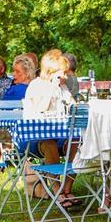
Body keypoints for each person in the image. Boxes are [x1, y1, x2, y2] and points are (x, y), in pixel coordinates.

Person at [23, 49, 77, 207]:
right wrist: (52, 89)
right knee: (49, 142)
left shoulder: (62, 87)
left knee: (76, 142)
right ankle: (57, 191)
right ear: (51, 71)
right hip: (34, 138)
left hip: (59, 135)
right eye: (62, 73)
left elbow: (74, 107)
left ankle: (67, 189)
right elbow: (41, 110)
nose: (65, 77)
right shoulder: (36, 85)